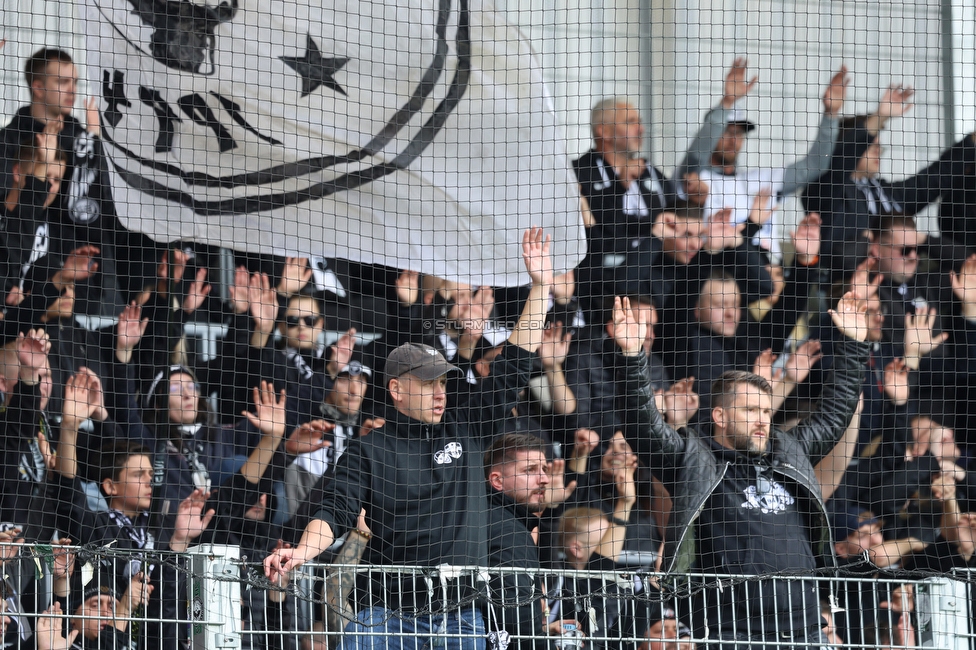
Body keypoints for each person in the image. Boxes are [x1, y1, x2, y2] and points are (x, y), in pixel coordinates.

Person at [265, 227, 556, 650]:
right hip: (385, 617)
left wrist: (541, 288)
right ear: (397, 390)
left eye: (443, 382)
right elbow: (335, 510)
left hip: (461, 620)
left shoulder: (467, 425)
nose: (440, 392)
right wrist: (302, 552)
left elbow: (516, 364)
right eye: (428, 383)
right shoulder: (370, 449)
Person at [619, 286, 870, 647]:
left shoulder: (789, 451)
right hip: (731, 632)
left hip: (806, 629)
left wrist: (854, 345)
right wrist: (632, 357)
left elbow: (833, 417)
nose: (762, 420)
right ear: (719, 416)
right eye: (750, 410)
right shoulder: (693, 459)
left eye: (766, 411)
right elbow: (642, 427)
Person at [675, 58, 849, 259]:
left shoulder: (759, 180)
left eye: (739, 133)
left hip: (769, 270)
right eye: (727, 131)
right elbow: (697, 154)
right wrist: (727, 103)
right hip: (720, 270)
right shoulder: (693, 176)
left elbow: (815, 165)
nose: (734, 139)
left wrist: (830, 115)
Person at [0, 48, 126, 317]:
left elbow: (100, 206)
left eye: (75, 82)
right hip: (14, 283)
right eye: (62, 82)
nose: (72, 90)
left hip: (77, 285)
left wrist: (93, 145)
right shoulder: (8, 141)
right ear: (38, 87)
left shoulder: (85, 140)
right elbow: (11, 206)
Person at [483, 433, 575, 650]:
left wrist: (543, 632)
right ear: (497, 481)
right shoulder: (507, 530)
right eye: (530, 470)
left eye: (543, 469)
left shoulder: (498, 517)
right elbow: (516, 617)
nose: (544, 479)